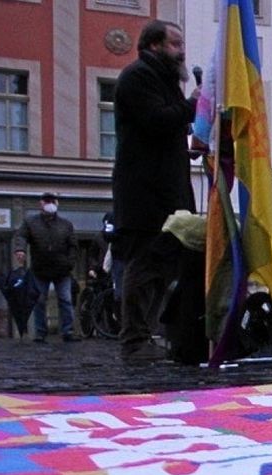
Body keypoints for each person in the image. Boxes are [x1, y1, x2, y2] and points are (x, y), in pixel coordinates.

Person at [112, 19, 199, 360]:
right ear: (154, 46)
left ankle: (146, 335)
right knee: (144, 263)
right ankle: (134, 340)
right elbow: (156, 120)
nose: (181, 51)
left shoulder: (161, 79)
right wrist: (192, 105)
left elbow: (166, 128)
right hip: (145, 192)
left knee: (162, 266)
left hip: (166, 188)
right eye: (175, 44)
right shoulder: (138, 77)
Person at [12, 193, 79, 343]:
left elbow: (73, 246)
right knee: (39, 301)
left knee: (66, 300)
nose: (50, 204)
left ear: (57, 203)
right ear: (41, 204)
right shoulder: (31, 222)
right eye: (47, 201)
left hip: (62, 270)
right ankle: (41, 333)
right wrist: (20, 249)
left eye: (52, 201)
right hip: (40, 269)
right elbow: (21, 236)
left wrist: (70, 263)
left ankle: (67, 331)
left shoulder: (65, 224)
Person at [0, 250, 40, 340]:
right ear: (14, 257)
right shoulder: (10, 272)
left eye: (22, 255)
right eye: (18, 255)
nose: (20, 257)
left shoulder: (28, 272)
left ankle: (25, 333)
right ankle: (19, 333)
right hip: (15, 300)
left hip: (25, 300)